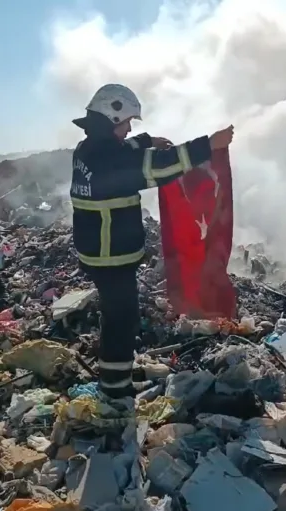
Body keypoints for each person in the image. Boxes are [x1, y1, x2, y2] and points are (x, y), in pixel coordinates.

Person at [70, 83, 234, 399]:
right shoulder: (113, 159)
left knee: (115, 317)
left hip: (98, 253)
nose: (129, 129)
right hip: (111, 256)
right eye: (126, 123)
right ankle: (115, 392)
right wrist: (208, 145)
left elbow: (120, 151)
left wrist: (146, 141)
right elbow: (159, 166)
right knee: (122, 320)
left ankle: (115, 380)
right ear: (110, 117)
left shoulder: (86, 150)